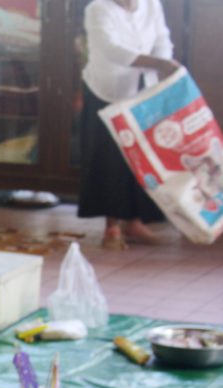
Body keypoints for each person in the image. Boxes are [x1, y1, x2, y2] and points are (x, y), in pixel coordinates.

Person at [78, 0, 180, 249]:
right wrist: (157, 63)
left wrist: (163, 60)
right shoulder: (97, 9)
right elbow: (110, 48)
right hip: (106, 90)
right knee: (110, 157)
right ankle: (111, 226)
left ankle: (135, 223)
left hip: (142, 87)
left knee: (140, 154)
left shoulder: (151, 4)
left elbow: (162, 38)